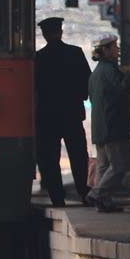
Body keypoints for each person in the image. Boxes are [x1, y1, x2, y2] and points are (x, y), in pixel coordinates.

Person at [33, 16, 92, 206]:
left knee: (50, 159)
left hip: (46, 117)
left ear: (44, 34)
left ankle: (57, 198)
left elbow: (33, 88)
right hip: (72, 114)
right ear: (61, 32)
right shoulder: (75, 53)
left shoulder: (38, 58)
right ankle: (84, 193)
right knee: (78, 156)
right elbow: (87, 82)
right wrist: (79, 96)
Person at [86, 34, 130, 212]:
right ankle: (97, 193)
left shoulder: (96, 73)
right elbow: (123, 87)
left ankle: (104, 202)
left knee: (103, 166)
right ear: (105, 50)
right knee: (121, 165)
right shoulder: (109, 70)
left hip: (100, 127)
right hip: (114, 126)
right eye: (114, 47)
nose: (118, 50)